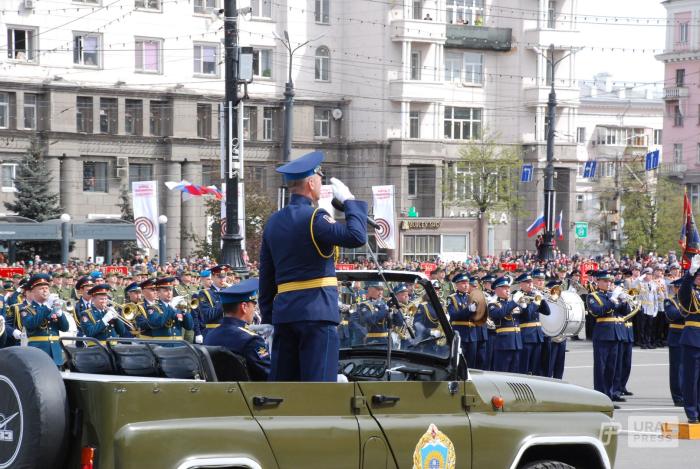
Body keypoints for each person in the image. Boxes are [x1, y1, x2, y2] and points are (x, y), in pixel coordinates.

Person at [259, 150, 368, 382]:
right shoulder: (315, 218)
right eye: (320, 178)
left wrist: (268, 317)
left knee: (283, 389)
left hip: (285, 315)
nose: (321, 184)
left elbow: (266, 277)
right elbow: (356, 236)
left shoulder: (273, 223)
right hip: (317, 313)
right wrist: (350, 203)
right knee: (318, 389)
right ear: (310, 183)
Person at [204, 278, 270, 381]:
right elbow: (269, 375)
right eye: (253, 305)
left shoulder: (210, 336)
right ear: (244, 307)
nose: (254, 310)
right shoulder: (251, 340)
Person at [586, 270, 627, 406]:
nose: (608, 283)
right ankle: (599, 399)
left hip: (615, 334)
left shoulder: (611, 295)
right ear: (598, 282)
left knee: (611, 368)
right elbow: (597, 311)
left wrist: (624, 300)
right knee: (601, 369)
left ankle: (608, 397)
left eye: (609, 281)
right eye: (605, 281)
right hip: (603, 335)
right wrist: (613, 300)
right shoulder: (592, 296)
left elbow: (624, 311)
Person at [21, 274, 70, 366]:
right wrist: (47, 306)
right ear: (33, 292)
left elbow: (65, 328)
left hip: (55, 352)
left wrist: (59, 313)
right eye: (41, 288)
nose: (45, 291)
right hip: (38, 351)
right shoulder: (26, 309)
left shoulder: (52, 308)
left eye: (47, 288)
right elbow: (30, 324)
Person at [513, 272, 550, 375]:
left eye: (531, 283)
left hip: (537, 336)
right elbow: (528, 314)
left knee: (536, 368)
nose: (531, 285)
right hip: (526, 335)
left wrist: (541, 299)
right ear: (521, 284)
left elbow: (547, 312)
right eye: (527, 283)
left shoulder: (534, 295)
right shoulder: (518, 296)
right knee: (524, 367)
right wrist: (536, 302)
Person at [678, 254, 700, 423]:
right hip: (693, 339)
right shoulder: (689, 293)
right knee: (691, 378)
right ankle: (692, 412)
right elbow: (684, 290)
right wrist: (690, 273)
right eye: (698, 276)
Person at [489, 276, 523, 373]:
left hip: (517, 343)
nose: (508, 290)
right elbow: (500, 313)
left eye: (508, 288)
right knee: (502, 372)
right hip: (504, 344)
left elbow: (526, 315)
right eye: (504, 288)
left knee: (515, 373)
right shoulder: (493, 304)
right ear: (497, 290)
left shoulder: (512, 303)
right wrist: (514, 302)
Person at [447, 272, 478, 367]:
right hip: (460, 333)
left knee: (471, 363)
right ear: (457, 285)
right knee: (459, 363)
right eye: (463, 283)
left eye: (467, 283)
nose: (466, 285)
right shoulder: (452, 298)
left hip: (472, 334)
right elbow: (453, 315)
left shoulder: (471, 297)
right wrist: (468, 310)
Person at [665, 278, 685, 407]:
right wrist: (686, 308)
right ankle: (677, 396)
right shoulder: (670, 301)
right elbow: (672, 315)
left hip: (690, 336)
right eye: (678, 288)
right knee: (677, 369)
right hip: (677, 336)